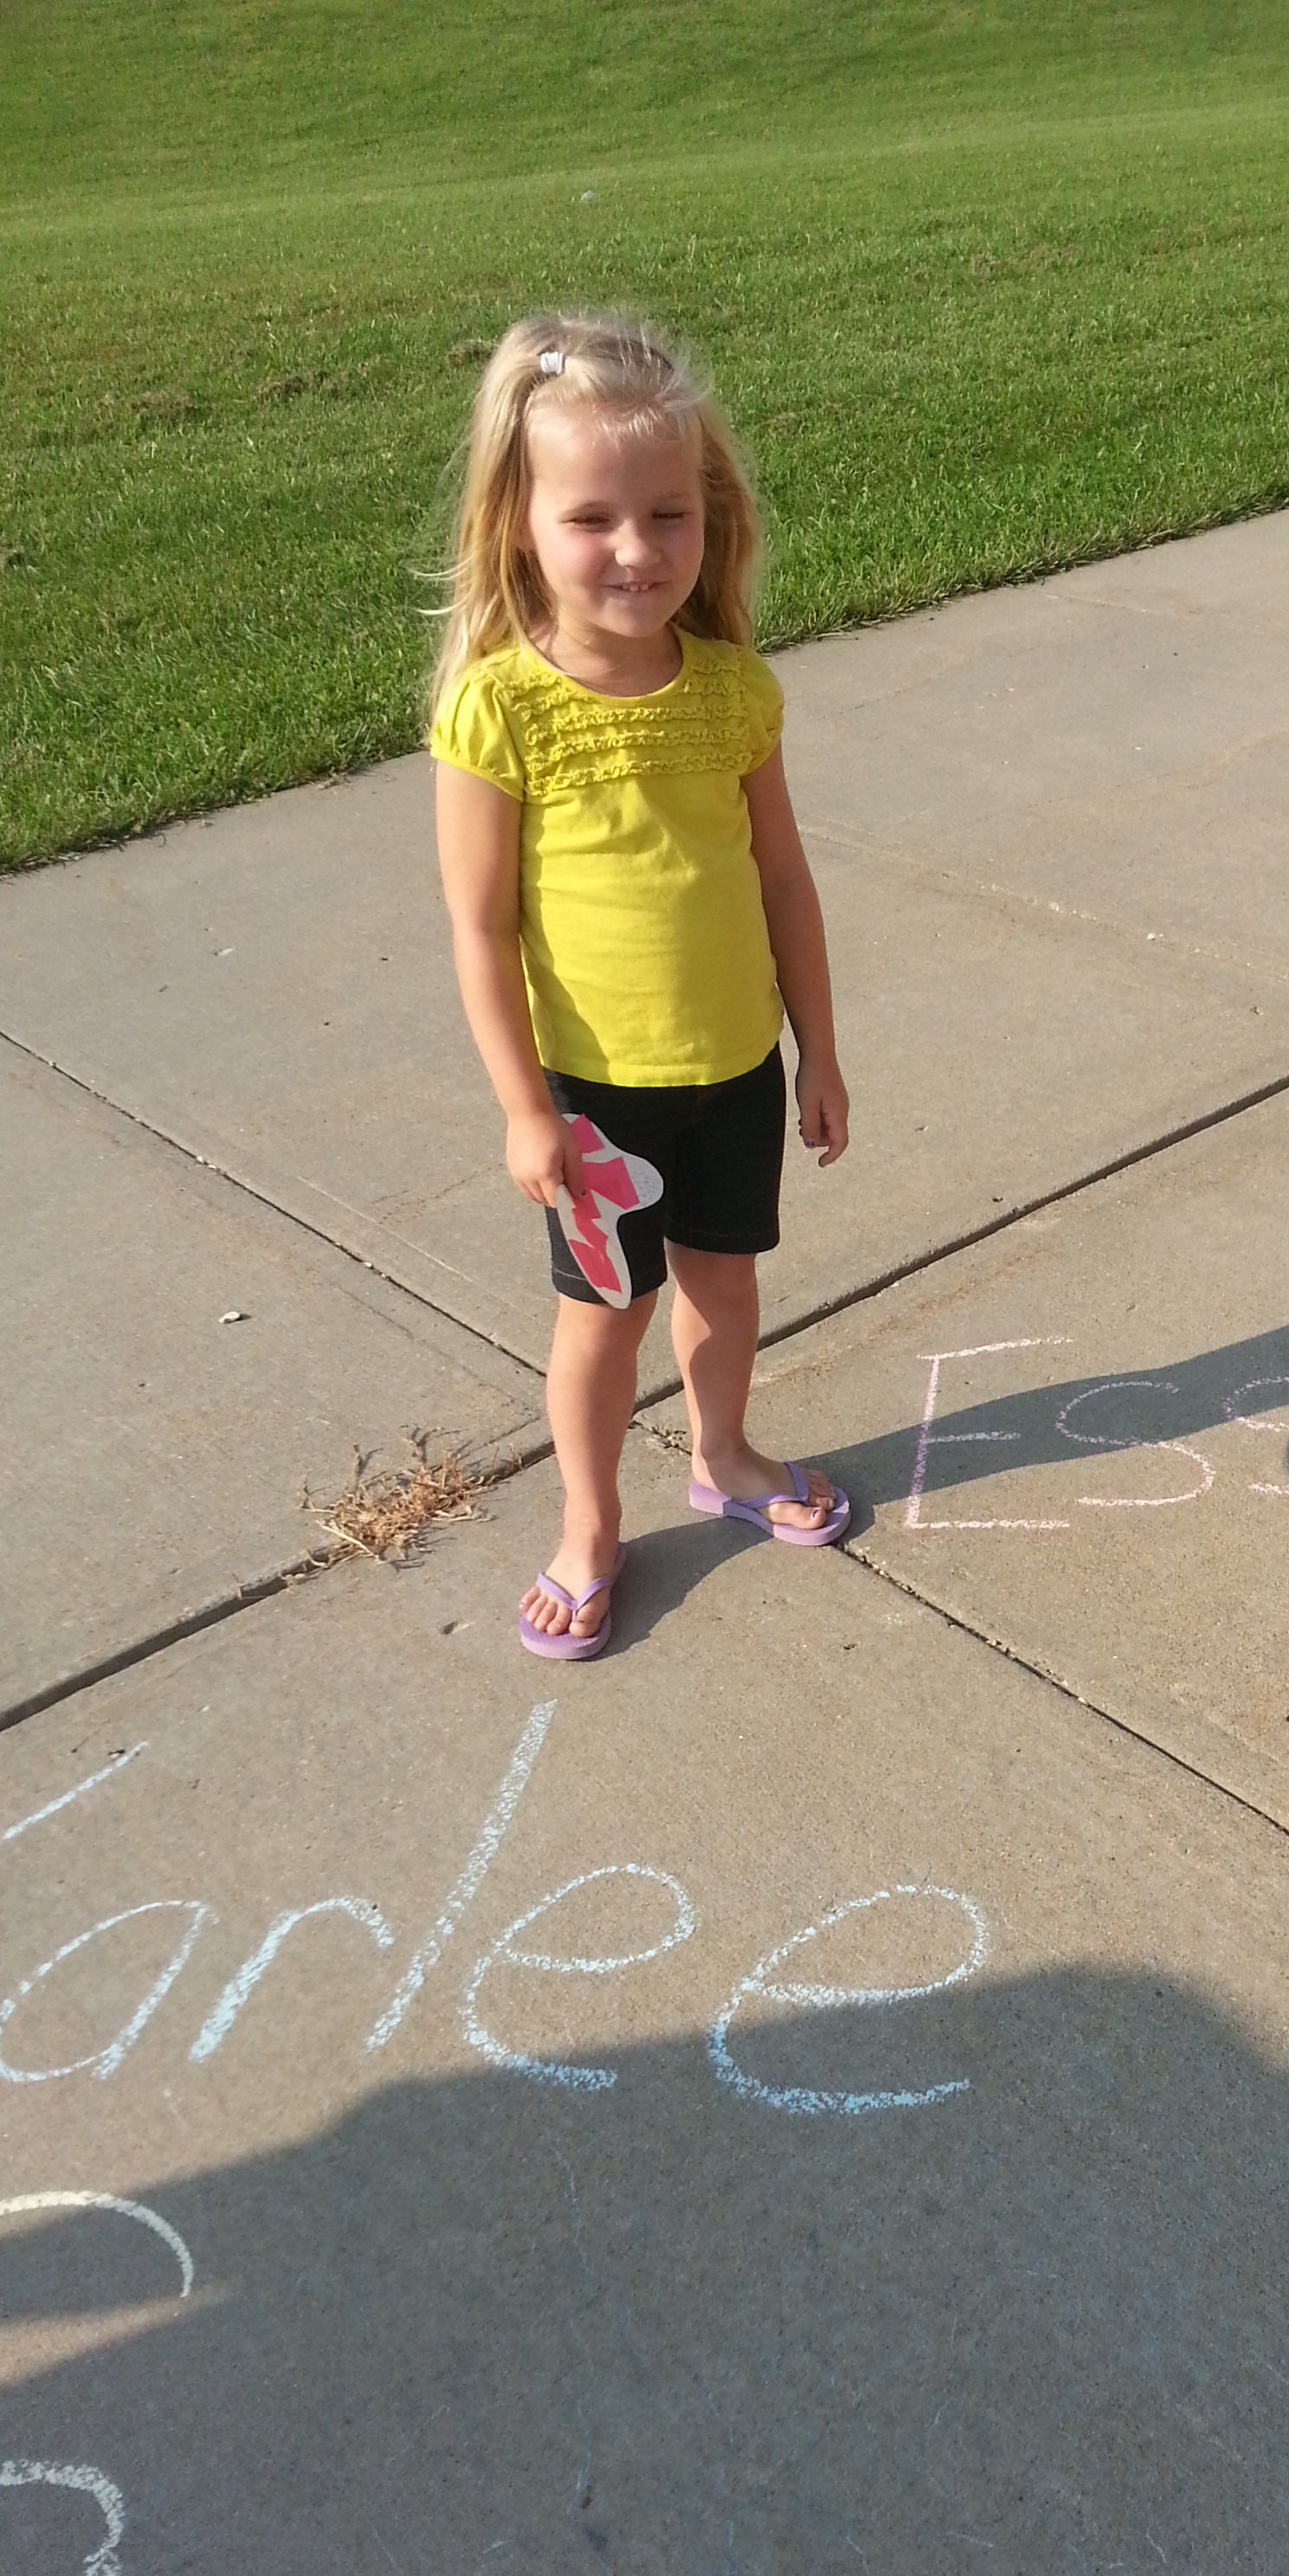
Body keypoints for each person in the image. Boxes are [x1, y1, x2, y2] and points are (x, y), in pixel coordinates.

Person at [431, 313, 850, 1661]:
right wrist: (523, 1109)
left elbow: (782, 879)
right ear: (518, 528)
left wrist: (819, 1050)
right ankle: (591, 1522)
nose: (637, 548)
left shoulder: (733, 693)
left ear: (709, 516)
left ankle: (723, 1455)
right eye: (592, 518)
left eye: (669, 514)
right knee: (605, 1320)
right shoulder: (502, 710)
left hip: (735, 1072)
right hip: (598, 1106)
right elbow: (480, 928)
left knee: (725, 1290)